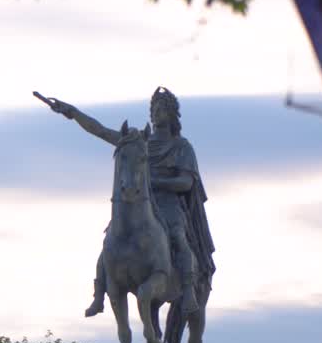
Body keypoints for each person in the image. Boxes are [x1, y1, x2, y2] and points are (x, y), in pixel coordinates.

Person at [41, 86, 215, 317]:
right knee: (109, 241)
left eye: (161, 109)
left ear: (171, 114)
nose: (155, 113)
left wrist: (152, 181)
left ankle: (188, 291)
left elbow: (185, 183)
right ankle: (99, 294)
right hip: (138, 203)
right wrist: (72, 112)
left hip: (168, 205)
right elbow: (101, 131)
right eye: (153, 109)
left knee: (178, 238)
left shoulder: (182, 147)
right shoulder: (138, 142)